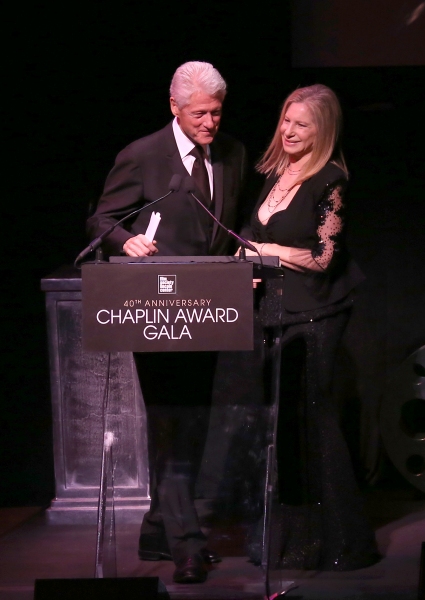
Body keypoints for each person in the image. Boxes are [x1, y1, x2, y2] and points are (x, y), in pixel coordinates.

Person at [87, 61, 247, 583]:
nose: (210, 123)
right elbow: (102, 218)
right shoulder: (143, 155)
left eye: (217, 113)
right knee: (169, 421)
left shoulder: (233, 154)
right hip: (155, 310)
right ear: (174, 108)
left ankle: (159, 529)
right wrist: (124, 240)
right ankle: (186, 543)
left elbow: (227, 225)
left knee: (191, 423)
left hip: (209, 311)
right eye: (200, 113)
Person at [239, 84, 380, 570]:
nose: (290, 130)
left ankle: (343, 541)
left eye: (302, 124)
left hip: (319, 313)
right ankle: (297, 542)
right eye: (286, 120)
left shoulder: (331, 179)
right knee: (284, 426)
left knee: (314, 420)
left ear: (323, 130)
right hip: (274, 311)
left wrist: (268, 252)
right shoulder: (276, 171)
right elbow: (259, 234)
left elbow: (323, 258)